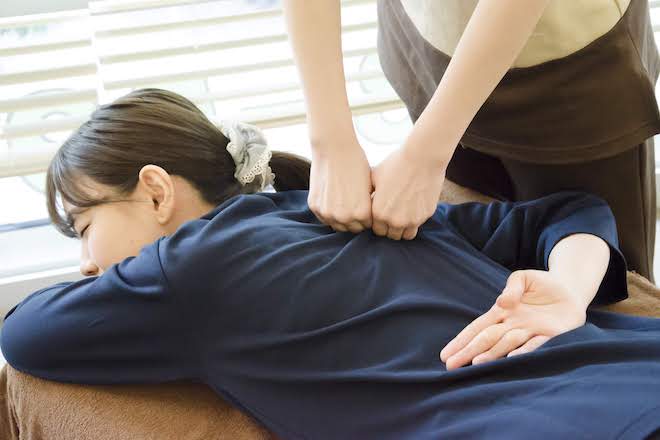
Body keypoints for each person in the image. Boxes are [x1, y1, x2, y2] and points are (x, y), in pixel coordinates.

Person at [2, 89, 660, 439]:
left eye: (84, 228)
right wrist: (569, 292)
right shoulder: (353, 207)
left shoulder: (182, 272)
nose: (87, 265)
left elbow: (24, 333)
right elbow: (567, 214)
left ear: (155, 190)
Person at [282, 0, 660, 284]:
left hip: (565, 66)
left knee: (601, 285)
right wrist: (329, 141)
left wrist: (424, 156)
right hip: (427, 36)